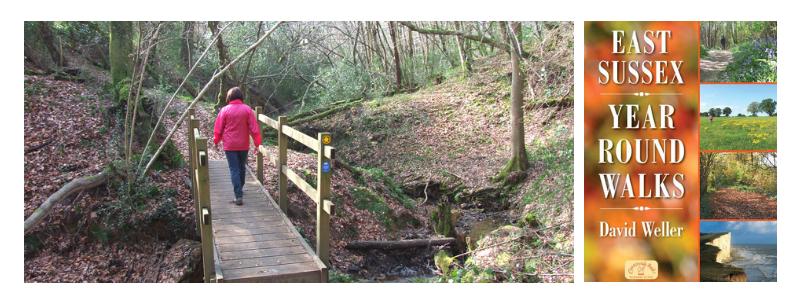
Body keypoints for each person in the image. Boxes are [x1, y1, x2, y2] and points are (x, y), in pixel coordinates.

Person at [213, 87, 261, 205]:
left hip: (229, 145)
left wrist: (216, 140)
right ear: (241, 97)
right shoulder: (247, 109)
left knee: (234, 169)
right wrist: (257, 143)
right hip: (243, 144)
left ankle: (238, 194)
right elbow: (254, 128)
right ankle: (240, 188)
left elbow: (219, 128)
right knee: (241, 166)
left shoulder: (224, 110)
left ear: (229, 97)